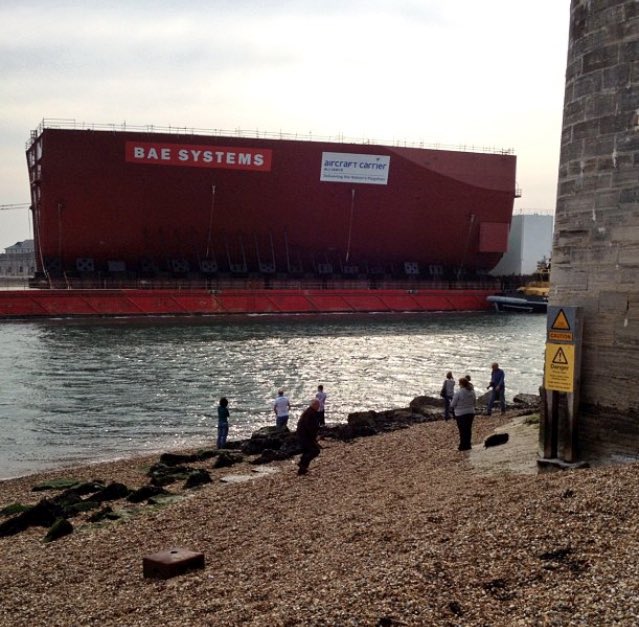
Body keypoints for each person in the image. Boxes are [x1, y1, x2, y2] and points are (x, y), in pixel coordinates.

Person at [296, 398, 321, 475]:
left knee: (308, 451)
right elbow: (309, 427)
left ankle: (302, 469)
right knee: (315, 450)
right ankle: (302, 464)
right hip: (304, 436)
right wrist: (314, 437)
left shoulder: (310, 412)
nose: (319, 406)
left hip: (304, 435)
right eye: (318, 405)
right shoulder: (310, 413)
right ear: (314, 405)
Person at [451, 377, 476, 451]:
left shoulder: (458, 393)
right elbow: (474, 402)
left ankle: (462, 446)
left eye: (459, 384)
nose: (459, 385)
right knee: (468, 429)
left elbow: (452, 404)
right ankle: (468, 445)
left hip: (460, 413)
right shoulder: (472, 392)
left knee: (462, 430)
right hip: (471, 412)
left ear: (461, 384)